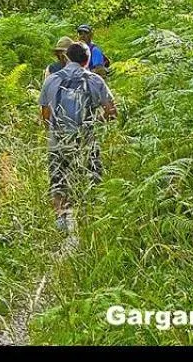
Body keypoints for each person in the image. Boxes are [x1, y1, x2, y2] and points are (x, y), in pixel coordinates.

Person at [39, 40, 117, 239]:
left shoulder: (51, 80)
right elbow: (112, 112)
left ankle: (62, 221)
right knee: (92, 178)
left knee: (58, 180)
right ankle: (90, 221)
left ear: (67, 57)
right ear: (87, 60)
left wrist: (57, 131)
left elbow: (46, 115)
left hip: (58, 138)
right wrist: (94, 121)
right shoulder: (96, 81)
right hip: (86, 138)